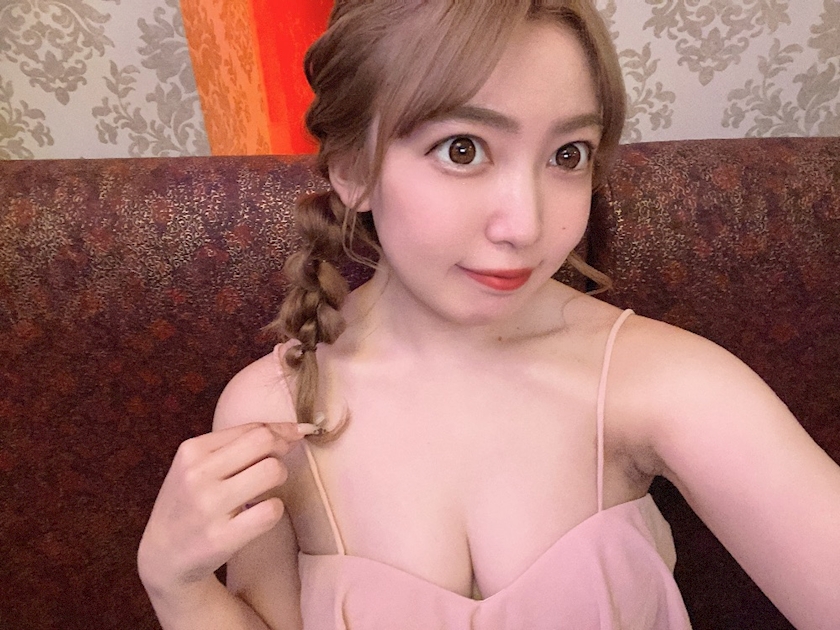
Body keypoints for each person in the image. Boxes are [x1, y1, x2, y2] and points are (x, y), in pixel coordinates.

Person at [137, 1, 840, 628]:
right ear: (352, 169)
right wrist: (177, 587)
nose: (525, 225)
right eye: (463, 149)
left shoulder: (659, 382)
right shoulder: (269, 414)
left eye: (568, 155)